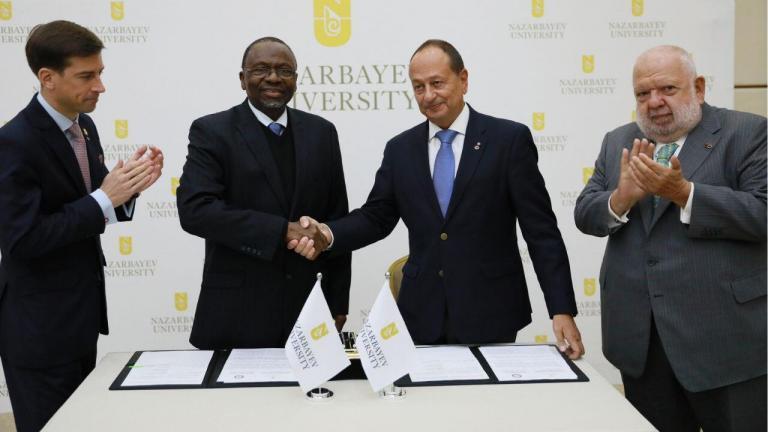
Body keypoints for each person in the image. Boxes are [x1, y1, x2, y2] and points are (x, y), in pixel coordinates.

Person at [291, 39, 583, 357]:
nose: (428, 96)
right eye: (418, 87)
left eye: (437, 83)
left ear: (464, 79)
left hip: (491, 310)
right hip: (420, 314)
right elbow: (376, 217)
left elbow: (541, 232)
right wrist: (328, 233)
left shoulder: (508, 141)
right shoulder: (400, 149)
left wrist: (561, 308)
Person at [574, 45, 766, 431]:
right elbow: (585, 213)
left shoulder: (748, 132)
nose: (654, 102)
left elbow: (761, 213)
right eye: (643, 94)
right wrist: (622, 197)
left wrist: (685, 193)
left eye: (666, 89)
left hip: (724, 342)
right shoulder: (619, 141)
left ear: (697, 87)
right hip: (642, 343)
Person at [0, 20, 163, 432]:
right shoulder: (13, 142)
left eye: (100, 74)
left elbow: (97, 204)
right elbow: (22, 239)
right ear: (47, 78)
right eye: (86, 76)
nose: (100, 87)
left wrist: (129, 188)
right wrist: (105, 198)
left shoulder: (84, 126)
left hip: (78, 322)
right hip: (38, 331)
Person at [176, 37, 351, 350]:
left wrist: (338, 302)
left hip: (309, 312)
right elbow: (195, 211)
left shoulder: (322, 132)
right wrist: (281, 231)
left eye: (284, 71)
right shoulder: (212, 131)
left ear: (296, 81)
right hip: (236, 313)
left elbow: (336, 218)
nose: (273, 78)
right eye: (261, 69)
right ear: (242, 80)